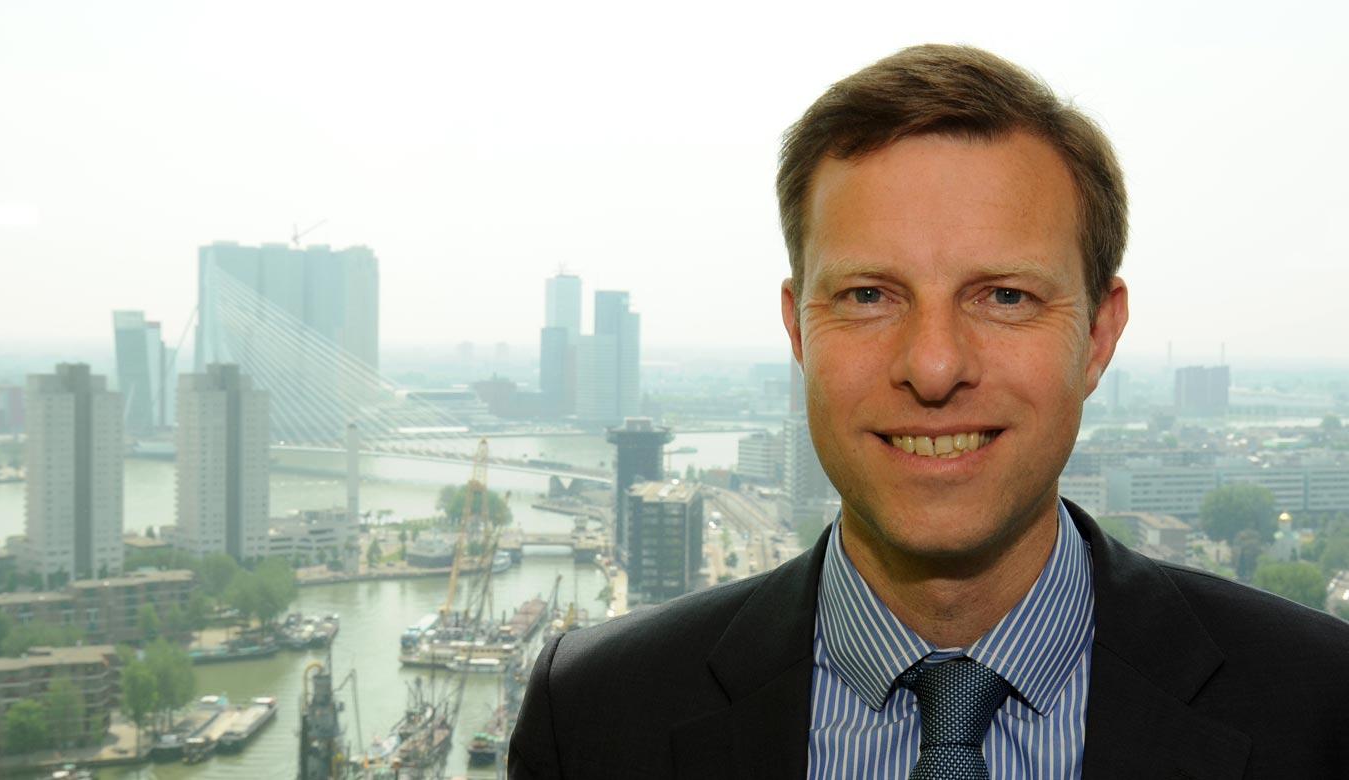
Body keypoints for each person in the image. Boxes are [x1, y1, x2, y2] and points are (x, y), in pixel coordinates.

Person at [508, 44, 1349, 779]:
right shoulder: (592, 717)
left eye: (1006, 296)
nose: (935, 366)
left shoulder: (1323, 709)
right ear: (798, 330)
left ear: (1098, 335)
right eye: (869, 295)